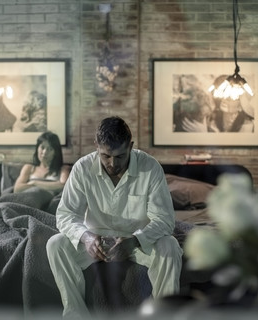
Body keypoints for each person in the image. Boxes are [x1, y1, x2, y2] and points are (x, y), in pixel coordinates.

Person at [46, 116, 183, 318]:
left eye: (120, 156)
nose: (112, 163)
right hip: (95, 241)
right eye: (105, 156)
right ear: (96, 147)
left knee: (170, 246)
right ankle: (76, 315)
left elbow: (164, 219)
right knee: (54, 244)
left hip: (137, 241)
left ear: (131, 146)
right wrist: (86, 237)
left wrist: (135, 241)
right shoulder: (82, 168)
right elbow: (65, 215)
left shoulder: (150, 167)